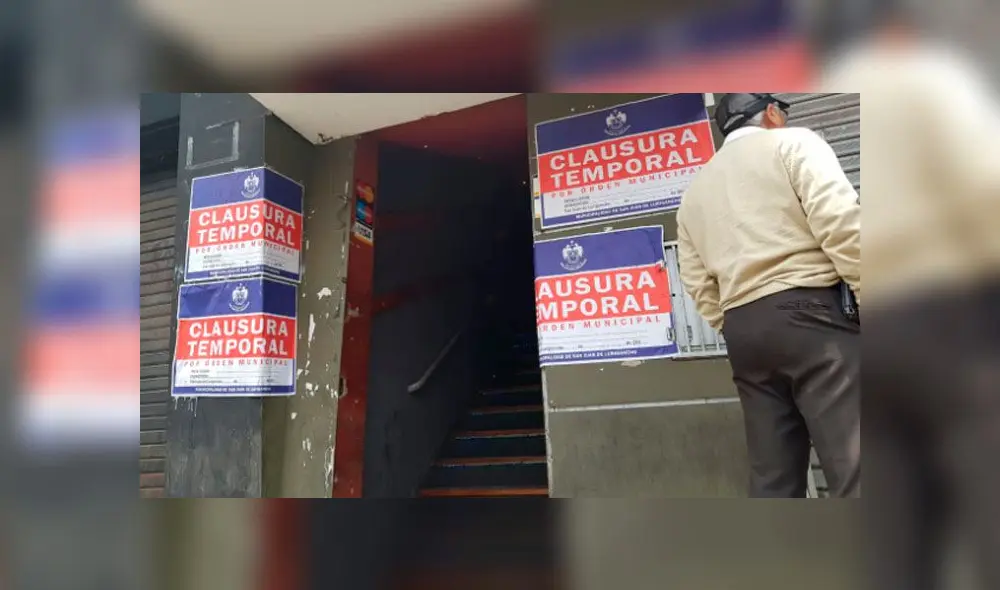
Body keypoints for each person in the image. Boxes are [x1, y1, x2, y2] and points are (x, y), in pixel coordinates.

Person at [675, 93, 861, 498]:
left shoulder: (694, 193)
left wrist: (728, 322)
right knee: (855, 460)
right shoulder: (795, 143)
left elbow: (693, 276)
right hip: (813, 315)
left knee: (772, 475)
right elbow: (842, 224)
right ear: (773, 113)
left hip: (744, 331)